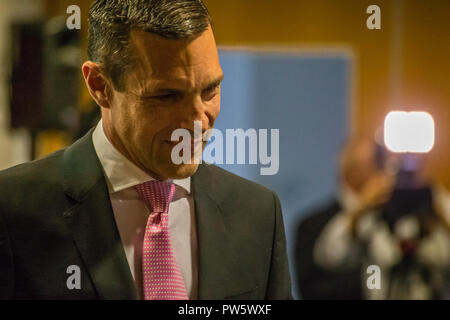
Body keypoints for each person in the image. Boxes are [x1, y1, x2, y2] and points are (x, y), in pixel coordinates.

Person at [0, 0, 291, 300]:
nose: (197, 122)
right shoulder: (11, 211)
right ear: (100, 85)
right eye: (167, 96)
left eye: (209, 90)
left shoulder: (258, 213)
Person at [295, 138, 394, 299]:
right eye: (374, 161)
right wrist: (360, 209)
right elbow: (311, 289)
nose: (380, 169)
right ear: (349, 169)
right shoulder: (311, 224)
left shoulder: (390, 218)